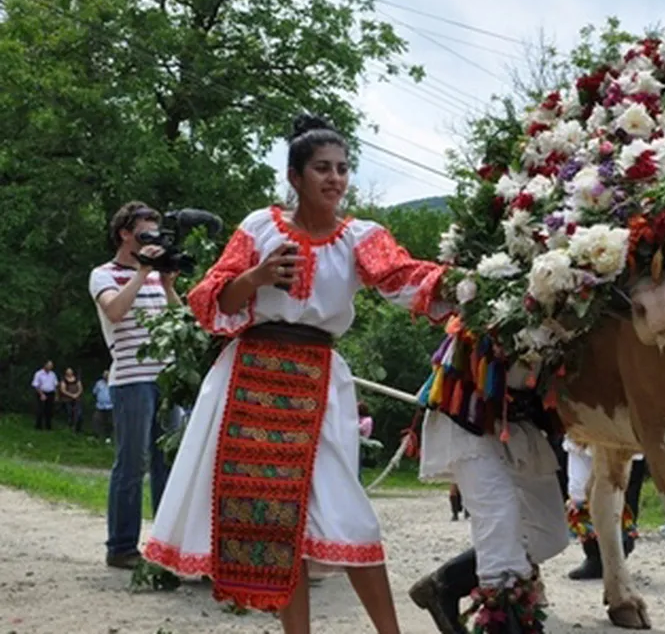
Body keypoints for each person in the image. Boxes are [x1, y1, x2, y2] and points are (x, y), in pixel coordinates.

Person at [141, 114, 450, 634]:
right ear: (294, 176)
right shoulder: (259, 228)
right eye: (322, 168)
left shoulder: (360, 238)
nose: (335, 178)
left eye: (343, 168)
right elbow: (211, 300)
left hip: (317, 382)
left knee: (349, 514)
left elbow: (403, 276)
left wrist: (467, 287)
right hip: (250, 379)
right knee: (275, 522)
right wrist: (257, 276)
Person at [409, 345, 567, 634]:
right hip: (471, 416)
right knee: (500, 519)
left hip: (518, 421)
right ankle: (505, 617)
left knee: (551, 533)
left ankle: (445, 583)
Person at [89, 201, 181, 569]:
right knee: (131, 464)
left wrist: (168, 285)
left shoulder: (157, 277)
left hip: (166, 379)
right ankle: (122, 546)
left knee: (166, 464)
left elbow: (180, 321)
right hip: (131, 380)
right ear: (125, 234)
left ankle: (165, 546)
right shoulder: (103, 274)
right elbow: (114, 311)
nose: (152, 240)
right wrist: (142, 272)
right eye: (145, 233)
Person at [562, 438, 646, 581]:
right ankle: (594, 554)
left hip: (619, 434)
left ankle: (620, 548)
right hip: (584, 433)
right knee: (579, 489)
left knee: (619, 483)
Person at [31, 360, 57, 431]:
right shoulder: (39, 374)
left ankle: (48, 426)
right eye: (49, 365)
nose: (50, 367)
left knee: (49, 410)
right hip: (41, 392)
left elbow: (55, 385)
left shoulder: (53, 374)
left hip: (51, 393)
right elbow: (36, 385)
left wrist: (56, 395)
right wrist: (41, 394)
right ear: (45, 365)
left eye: (51, 365)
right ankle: (38, 426)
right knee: (40, 410)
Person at [58, 367, 84, 432]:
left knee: (78, 413)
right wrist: (71, 395)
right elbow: (63, 390)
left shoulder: (77, 379)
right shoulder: (64, 380)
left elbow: (80, 388)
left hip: (77, 399)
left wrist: (77, 394)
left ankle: (77, 428)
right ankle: (69, 427)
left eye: (70, 371)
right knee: (69, 413)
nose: (69, 373)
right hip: (67, 399)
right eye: (68, 371)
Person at [92, 370, 113, 440]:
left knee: (109, 422)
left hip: (110, 406)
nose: (106, 376)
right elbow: (94, 392)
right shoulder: (99, 383)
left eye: (107, 375)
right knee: (96, 419)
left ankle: (108, 436)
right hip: (100, 406)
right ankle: (96, 435)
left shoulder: (113, 383)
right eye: (104, 375)